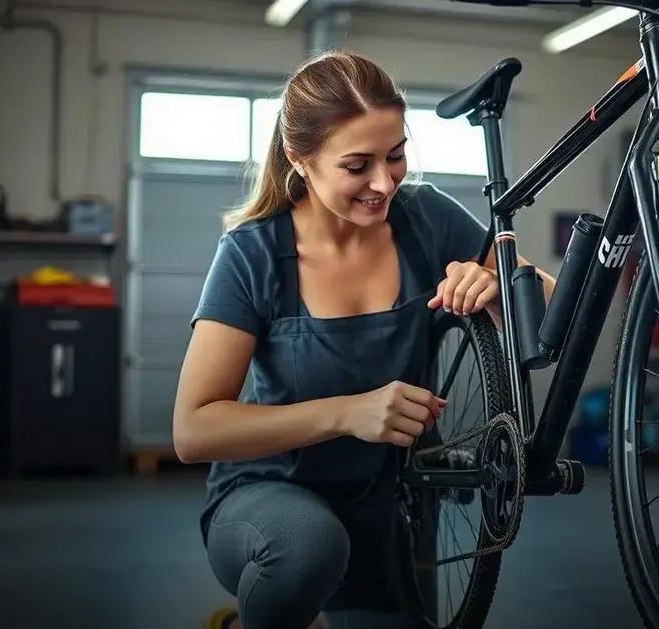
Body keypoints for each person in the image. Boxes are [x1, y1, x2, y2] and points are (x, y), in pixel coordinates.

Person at [174, 51, 555, 629]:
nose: (385, 182)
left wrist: (498, 287)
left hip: (394, 502)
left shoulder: (426, 218)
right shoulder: (251, 254)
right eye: (358, 166)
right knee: (309, 550)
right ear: (301, 161)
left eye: (396, 155)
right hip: (270, 499)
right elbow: (193, 429)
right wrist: (348, 413)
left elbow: (547, 301)